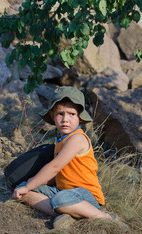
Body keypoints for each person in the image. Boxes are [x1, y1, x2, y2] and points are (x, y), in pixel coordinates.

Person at [13, 86, 113, 225]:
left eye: (71, 114)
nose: (65, 119)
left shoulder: (77, 139)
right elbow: (58, 175)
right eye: (60, 114)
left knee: (60, 199)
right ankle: (63, 215)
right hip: (63, 191)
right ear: (53, 116)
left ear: (79, 117)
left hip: (86, 196)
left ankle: (104, 217)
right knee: (23, 189)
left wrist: (30, 185)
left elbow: (54, 166)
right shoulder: (62, 141)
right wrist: (32, 183)